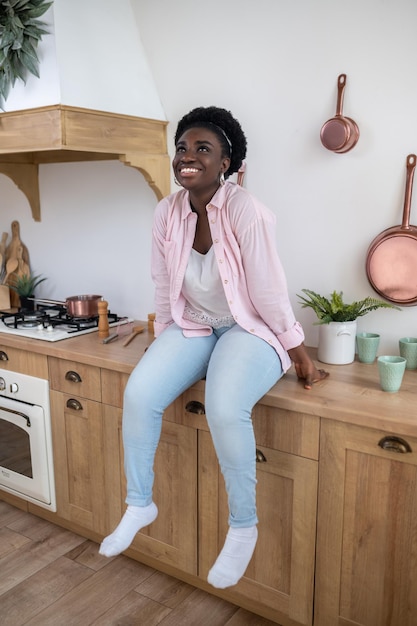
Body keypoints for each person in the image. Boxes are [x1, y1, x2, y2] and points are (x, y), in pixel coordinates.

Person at [99, 106, 328, 588]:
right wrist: (162, 340)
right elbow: (164, 284)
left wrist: (299, 352)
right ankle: (140, 504)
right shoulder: (167, 212)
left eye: (203, 148)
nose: (188, 156)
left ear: (227, 162)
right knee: (140, 392)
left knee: (225, 408)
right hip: (194, 325)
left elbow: (268, 289)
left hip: (249, 328)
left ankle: (243, 527)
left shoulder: (246, 209)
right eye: (182, 148)